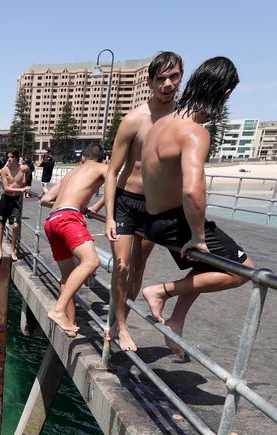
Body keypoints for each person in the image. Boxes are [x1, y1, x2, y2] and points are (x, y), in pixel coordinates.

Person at [139, 56, 255, 360]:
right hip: (176, 222)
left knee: (206, 265)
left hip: (153, 220)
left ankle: (176, 321)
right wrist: (199, 236)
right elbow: (192, 189)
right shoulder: (194, 132)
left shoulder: (161, 124)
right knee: (245, 271)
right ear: (226, 93)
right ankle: (160, 291)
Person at [104, 51, 185, 352]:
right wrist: (110, 215)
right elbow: (112, 171)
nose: (167, 84)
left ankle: (123, 318)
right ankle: (120, 326)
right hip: (127, 201)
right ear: (150, 82)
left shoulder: (183, 119)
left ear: (181, 76)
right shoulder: (133, 120)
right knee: (122, 266)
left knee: (138, 267)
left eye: (173, 76)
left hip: (157, 206)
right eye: (161, 78)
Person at [39, 144, 107, 337]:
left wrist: (65, 203)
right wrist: (94, 207)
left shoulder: (71, 173)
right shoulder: (103, 168)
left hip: (52, 220)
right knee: (92, 261)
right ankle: (58, 310)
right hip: (68, 219)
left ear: (83, 158)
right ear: (102, 159)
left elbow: (44, 200)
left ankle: (70, 324)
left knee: (67, 276)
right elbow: (115, 186)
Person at [0, 149, 30, 259]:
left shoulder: (22, 169)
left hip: (16, 200)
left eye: (11, 157)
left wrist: (25, 180)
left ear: (17, 157)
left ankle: (13, 251)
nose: (9, 159)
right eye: (8, 157)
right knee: (1, 224)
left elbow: (28, 170)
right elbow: (6, 188)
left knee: (15, 225)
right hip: (6, 199)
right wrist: (22, 190)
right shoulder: (5, 170)